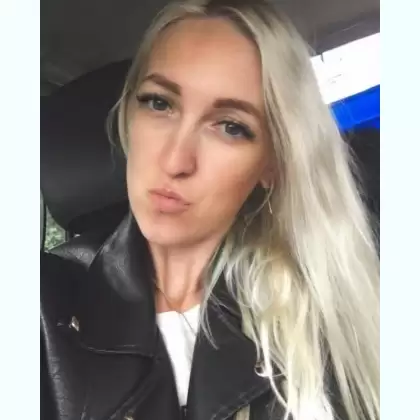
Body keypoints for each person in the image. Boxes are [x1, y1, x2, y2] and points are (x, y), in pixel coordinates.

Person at [40, 0, 380, 419]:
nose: (175, 161)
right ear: (128, 114)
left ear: (271, 164)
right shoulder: (44, 306)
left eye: (231, 127)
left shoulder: (331, 305)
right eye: (159, 103)